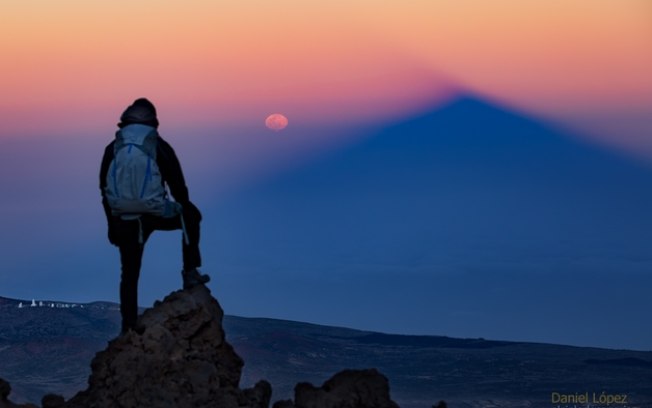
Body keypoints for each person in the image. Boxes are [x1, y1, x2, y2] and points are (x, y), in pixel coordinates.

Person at [99, 98, 210, 333]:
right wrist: (183, 206)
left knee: (129, 273)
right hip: (155, 212)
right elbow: (177, 184)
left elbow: (103, 188)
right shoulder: (157, 145)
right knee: (192, 217)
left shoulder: (114, 147)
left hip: (125, 219)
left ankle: (128, 325)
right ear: (153, 121)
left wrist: (111, 225)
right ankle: (190, 272)